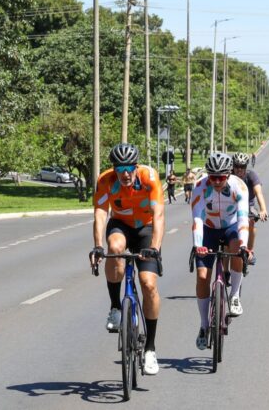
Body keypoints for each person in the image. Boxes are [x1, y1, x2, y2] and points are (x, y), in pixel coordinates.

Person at [90, 143, 165, 375]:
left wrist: (154, 247)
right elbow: (101, 213)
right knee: (114, 247)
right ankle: (115, 307)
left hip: (146, 227)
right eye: (120, 167)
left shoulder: (150, 177)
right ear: (114, 168)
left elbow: (159, 214)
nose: (125, 173)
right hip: (120, 224)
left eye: (129, 167)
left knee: (148, 284)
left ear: (136, 166)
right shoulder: (106, 180)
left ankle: (150, 349)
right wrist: (98, 246)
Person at [191, 152, 251, 350]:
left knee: (236, 249)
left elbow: (243, 219)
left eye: (221, 177)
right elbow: (197, 219)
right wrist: (197, 244)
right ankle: (203, 325)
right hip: (208, 229)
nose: (216, 181)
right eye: (213, 177)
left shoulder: (239, 186)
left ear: (229, 174)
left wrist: (243, 245)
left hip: (231, 226)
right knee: (202, 275)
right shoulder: (200, 187)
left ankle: (234, 296)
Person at [232, 153, 269, 265]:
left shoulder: (251, 175)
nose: (239, 170)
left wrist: (263, 209)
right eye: (236, 166)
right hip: (231, 206)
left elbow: (259, 193)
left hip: (248, 206)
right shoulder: (229, 176)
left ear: (246, 167)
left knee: (251, 221)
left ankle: (250, 250)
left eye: (242, 167)